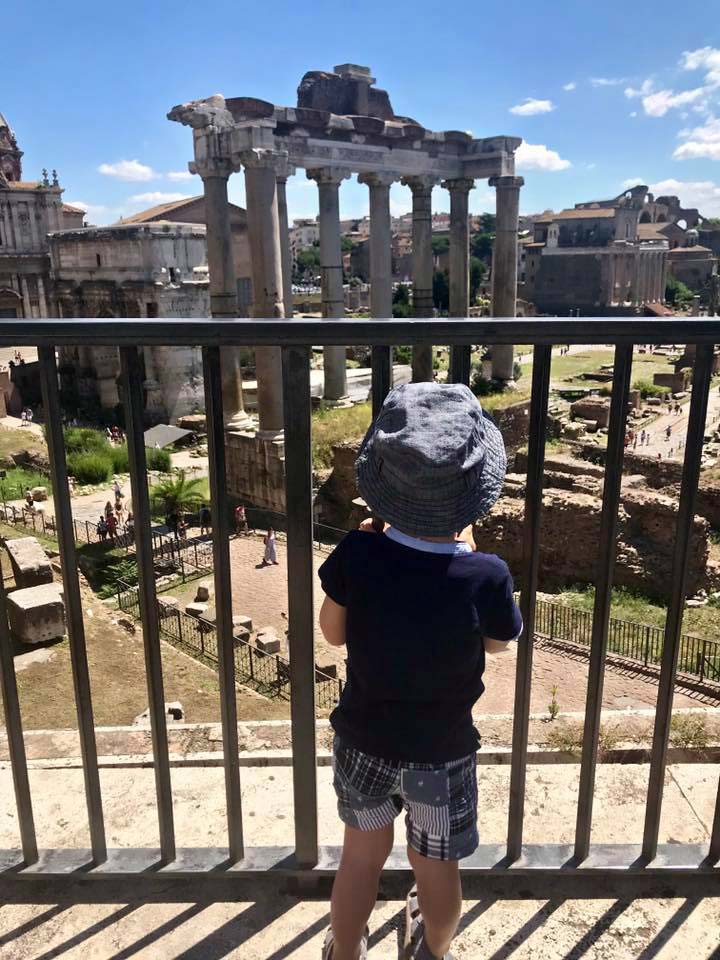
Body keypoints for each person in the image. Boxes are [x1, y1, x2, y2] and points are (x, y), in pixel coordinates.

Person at [317, 382, 522, 960]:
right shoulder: (485, 573)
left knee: (360, 855)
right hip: (440, 750)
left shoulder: (359, 553)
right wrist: (470, 555)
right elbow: (500, 644)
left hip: (364, 740)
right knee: (436, 866)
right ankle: (434, 948)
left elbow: (333, 633)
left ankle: (347, 952)